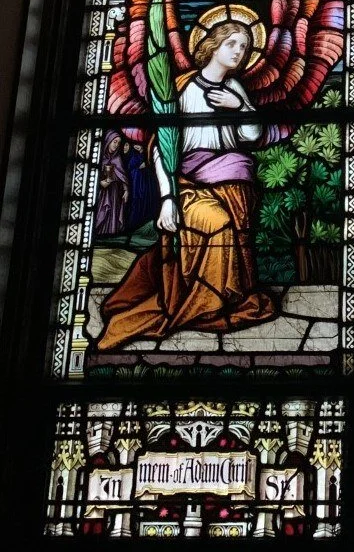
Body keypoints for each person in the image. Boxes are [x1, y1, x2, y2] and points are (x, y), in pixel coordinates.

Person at [96, 19, 277, 350]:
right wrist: (168, 199)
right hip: (187, 184)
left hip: (231, 183)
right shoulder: (183, 89)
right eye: (232, 44)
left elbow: (253, 136)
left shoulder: (235, 89)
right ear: (213, 46)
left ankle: (224, 296)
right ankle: (205, 301)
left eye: (244, 46)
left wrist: (240, 107)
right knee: (217, 223)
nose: (239, 51)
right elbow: (162, 150)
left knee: (226, 228)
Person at [93, 132, 129, 238]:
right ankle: (97, 233)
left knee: (112, 214)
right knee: (101, 211)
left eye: (118, 143)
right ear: (108, 141)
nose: (116, 145)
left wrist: (126, 190)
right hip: (102, 193)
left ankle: (109, 234)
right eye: (114, 142)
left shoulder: (117, 159)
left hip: (114, 193)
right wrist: (100, 183)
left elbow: (123, 177)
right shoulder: (99, 158)